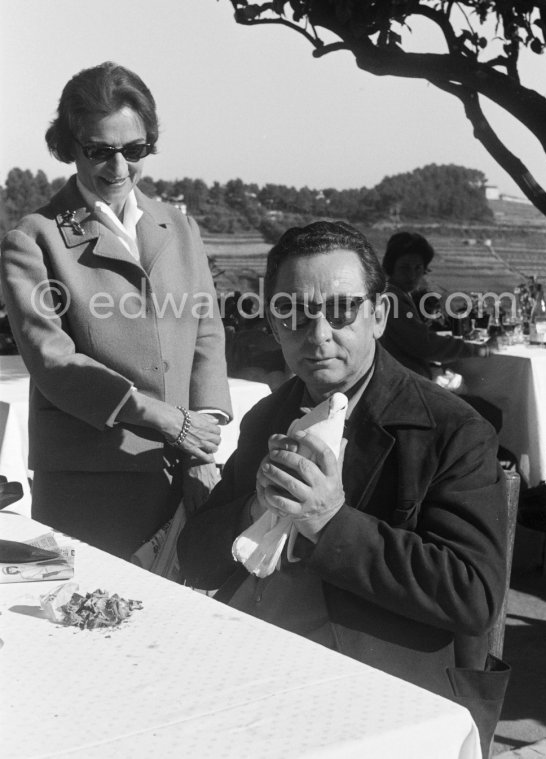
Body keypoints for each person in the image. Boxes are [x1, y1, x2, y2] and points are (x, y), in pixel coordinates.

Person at [179, 221, 509, 758]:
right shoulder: (269, 416)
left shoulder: (453, 432)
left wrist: (330, 521)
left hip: (374, 686)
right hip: (250, 661)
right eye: (293, 312)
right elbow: (196, 556)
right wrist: (252, 509)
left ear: (378, 315)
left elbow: (471, 596)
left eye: (340, 311)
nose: (317, 335)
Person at [0, 62, 232, 560]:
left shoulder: (180, 227)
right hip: (92, 485)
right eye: (100, 151)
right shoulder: (33, 240)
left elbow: (206, 332)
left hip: (185, 468)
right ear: (68, 145)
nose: (119, 168)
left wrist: (201, 437)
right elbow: (52, 360)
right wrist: (166, 419)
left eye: (134, 150)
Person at [380, 231, 489, 378]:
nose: (412, 276)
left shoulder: (396, 294)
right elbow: (424, 344)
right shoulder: (392, 298)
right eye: (404, 268)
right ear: (391, 267)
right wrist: (481, 350)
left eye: (418, 268)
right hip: (404, 388)